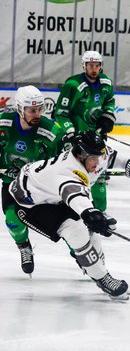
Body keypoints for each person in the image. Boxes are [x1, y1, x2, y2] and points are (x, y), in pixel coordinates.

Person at [4, 130, 130, 299]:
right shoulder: (66, 173)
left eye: (99, 157)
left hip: (52, 194)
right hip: (30, 204)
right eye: (93, 159)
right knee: (76, 231)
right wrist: (92, 215)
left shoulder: (92, 155)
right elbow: (74, 196)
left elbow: (111, 158)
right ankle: (103, 278)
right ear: (80, 155)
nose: (98, 163)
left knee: (90, 233)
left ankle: (93, 266)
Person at [0, 86, 64, 275]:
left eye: (39, 109)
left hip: (41, 185)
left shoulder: (51, 130)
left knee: (64, 221)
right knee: (12, 220)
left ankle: (80, 255)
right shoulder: (3, 123)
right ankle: (24, 247)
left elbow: (65, 158)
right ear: (20, 109)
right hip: (12, 184)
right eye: (32, 110)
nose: (37, 114)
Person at [54, 50, 117, 219]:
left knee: (100, 175)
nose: (94, 69)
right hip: (77, 138)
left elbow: (110, 102)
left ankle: (100, 211)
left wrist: (107, 117)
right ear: (84, 66)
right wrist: (70, 132)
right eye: (90, 66)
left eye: (97, 65)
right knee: (75, 175)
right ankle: (74, 209)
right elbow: (60, 113)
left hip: (95, 137)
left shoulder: (106, 82)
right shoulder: (73, 85)